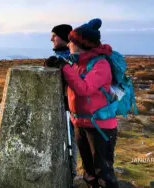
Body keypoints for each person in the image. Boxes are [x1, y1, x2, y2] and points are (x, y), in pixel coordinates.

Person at [50, 18, 119, 187]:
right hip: (81, 123)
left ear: (80, 44)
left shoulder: (100, 64)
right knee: (89, 172)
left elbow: (84, 88)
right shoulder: (78, 63)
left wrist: (65, 67)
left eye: (71, 42)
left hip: (100, 127)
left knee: (104, 173)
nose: (67, 45)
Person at [44, 23, 79, 182]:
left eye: (54, 35)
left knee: (72, 140)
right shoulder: (64, 57)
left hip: (71, 107)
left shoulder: (71, 58)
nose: (51, 38)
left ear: (64, 37)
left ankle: (71, 175)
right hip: (69, 107)